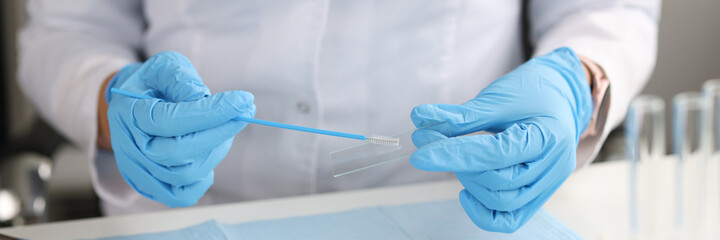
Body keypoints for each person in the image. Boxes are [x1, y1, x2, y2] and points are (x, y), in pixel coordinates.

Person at [18, 0, 660, 233]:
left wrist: (577, 82)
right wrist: (113, 104)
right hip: (188, 211)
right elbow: (66, 30)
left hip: (447, 210)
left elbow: (608, 12)